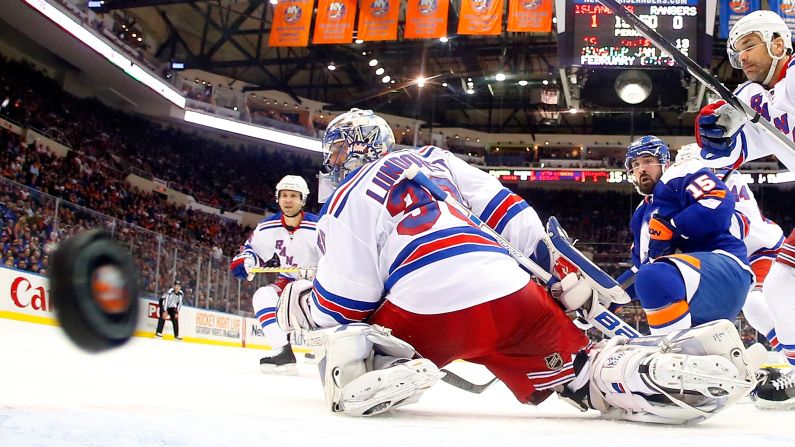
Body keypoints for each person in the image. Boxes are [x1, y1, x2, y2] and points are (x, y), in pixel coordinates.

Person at [274, 108, 759, 423]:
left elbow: (345, 303)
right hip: (511, 289)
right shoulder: (433, 158)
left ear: (355, 149)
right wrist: (560, 277)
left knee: (346, 337)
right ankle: (650, 371)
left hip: (426, 311)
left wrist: (302, 308)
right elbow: (516, 218)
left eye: (337, 149)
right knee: (581, 371)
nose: (333, 159)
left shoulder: (343, 201)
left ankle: (380, 366)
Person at [695, 10, 795, 408]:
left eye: (750, 44)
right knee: (780, 285)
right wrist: (715, 136)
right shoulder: (754, 100)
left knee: (781, 285)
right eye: (737, 52)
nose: (744, 57)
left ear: (777, 43)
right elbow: (729, 157)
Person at [617, 136, 753, 334]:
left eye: (647, 161)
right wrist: (606, 298)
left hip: (724, 269)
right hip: (690, 290)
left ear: (665, 163)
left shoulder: (679, 173)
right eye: (635, 165)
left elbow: (718, 202)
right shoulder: (640, 215)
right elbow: (640, 269)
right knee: (649, 277)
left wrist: (673, 227)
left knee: (653, 276)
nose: (641, 169)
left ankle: (668, 355)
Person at [229, 175, 320, 375]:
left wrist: (321, 270)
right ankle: (283, 353)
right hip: (287, 281)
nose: (288, 200)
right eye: (284, 195)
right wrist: (247, 262)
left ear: (303, 200)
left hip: (320, 284)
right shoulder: (267, 226)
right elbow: (252, 251)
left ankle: (328, 348)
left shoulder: (319, 226)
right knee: (263, 295)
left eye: (294, 196)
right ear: (277, 198)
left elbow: (338, 256)